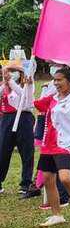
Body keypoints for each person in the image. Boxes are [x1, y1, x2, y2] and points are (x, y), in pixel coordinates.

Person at [25, 66, 70, 226]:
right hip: (48, 143)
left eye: (59, 80)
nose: (56, 83)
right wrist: (29, 85)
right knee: (48, 179)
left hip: (64, 144)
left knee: (65, 178)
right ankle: (57, 215)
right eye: (54, 80)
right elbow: (31, 104)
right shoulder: (52, 98)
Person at [0, 65, 35, 195]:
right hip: (7, 119)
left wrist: (10, 81)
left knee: (26, 152)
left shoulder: (28, 85)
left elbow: (24, 96)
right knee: (3, 150)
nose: (11, 73)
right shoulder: (5, 86)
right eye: (9, 72)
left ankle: (26, 183)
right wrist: (6, 82)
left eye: (14, 71)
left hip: (24, 118)